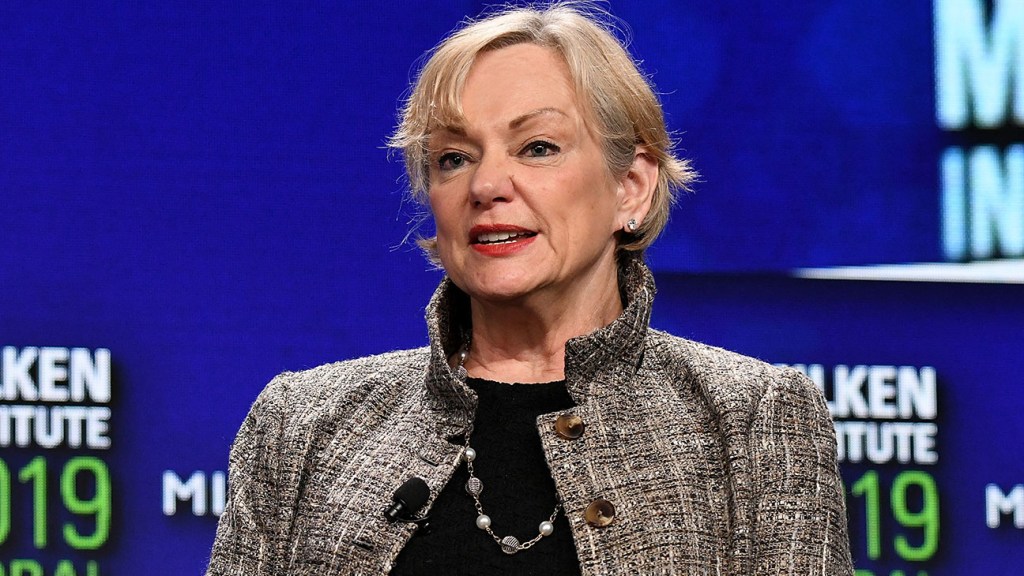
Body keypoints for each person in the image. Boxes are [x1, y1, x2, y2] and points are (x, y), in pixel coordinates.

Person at [207, 3, 854, 575]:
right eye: (453, 158)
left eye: (537, 147)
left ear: (630, 187)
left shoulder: (751, 419)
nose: (486, 185)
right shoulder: (304, 425)